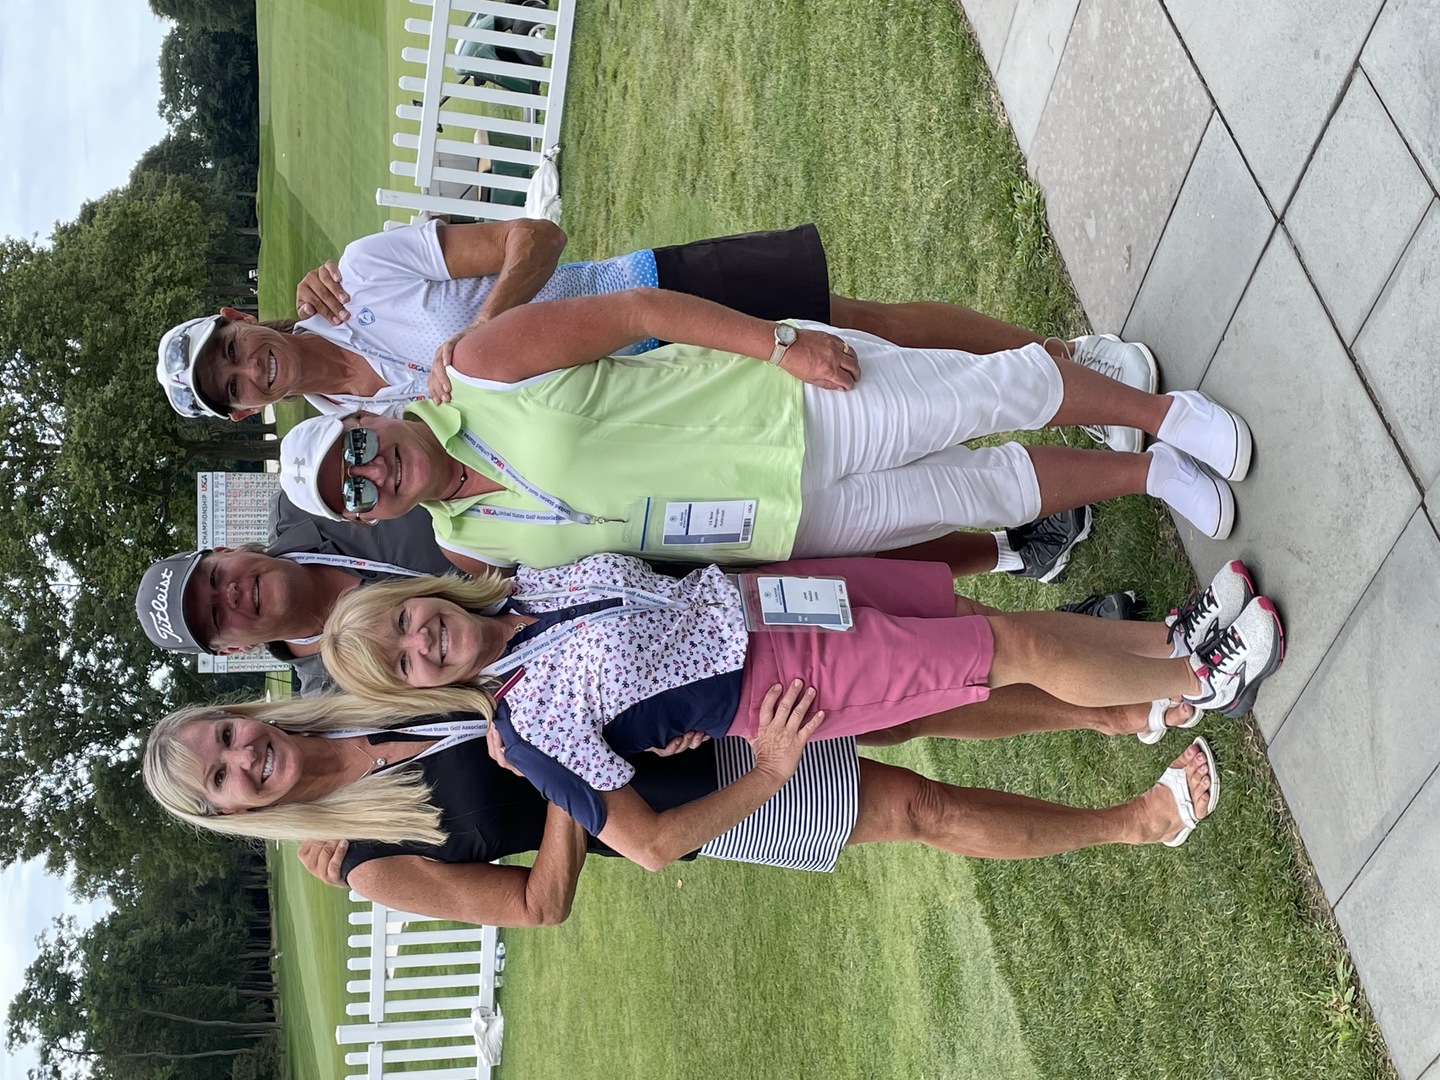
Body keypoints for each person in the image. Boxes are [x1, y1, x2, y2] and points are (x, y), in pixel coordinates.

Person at [157, 220, 1124, 582]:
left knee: (862, 330)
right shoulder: (341, 448)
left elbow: (532, 238)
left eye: (235, 353)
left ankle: (1065, 359)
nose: (250, 373)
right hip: (654, 448)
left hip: (646, 319)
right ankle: (1026, 526)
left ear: (242, 317)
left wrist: (475, 337)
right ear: (245, 414)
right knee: (871, 480)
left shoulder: (360, 276)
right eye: (233, 389)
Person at [275, 284, 1251, 585]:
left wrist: (777, 344)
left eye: (355, 448)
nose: (371, 472)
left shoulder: (477, 369)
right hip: (771, 526)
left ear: (366, 417)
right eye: (351, 492)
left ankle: (1161, 414)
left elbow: (631, 310)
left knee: (980, 394)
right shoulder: (465, 547)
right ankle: (1153, 475)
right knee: (981, 495)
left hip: (778, 408)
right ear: (368, 518)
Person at [143, 682, 1223, 927]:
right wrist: (554, 781)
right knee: (912, 810)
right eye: (227, 778)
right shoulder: (368, 863)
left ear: (242, 712)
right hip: (682, 800)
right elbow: (537, 907)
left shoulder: (359, 690)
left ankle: (1115, 709)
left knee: (901, 707)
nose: (247, 758)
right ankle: (1141, 822)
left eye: (228, 737)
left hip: (672, 705)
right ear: (235, 814)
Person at [317, 554, 1281, 826]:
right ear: (414, 693)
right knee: (1006, 645)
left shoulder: (520, 580)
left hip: (776, 597)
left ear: (414, 595)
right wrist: (771, 768)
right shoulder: (524, 727)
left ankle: (1168, 643)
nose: (420, 642)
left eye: (401, 621)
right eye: (401, 664)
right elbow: (648, 845)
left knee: (986, 624)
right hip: (783, 682)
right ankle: (1203, 678)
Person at [134, 495, 456, 695]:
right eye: (216, 616)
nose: (230, 594)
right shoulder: (335, 699)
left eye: (216, 577)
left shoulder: (310, 500)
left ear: (226, 550)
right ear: (234, 649)